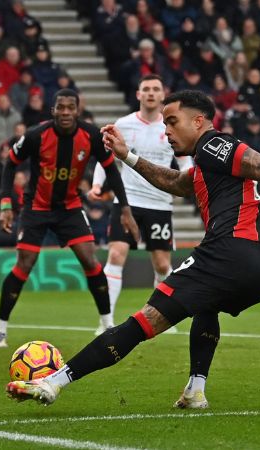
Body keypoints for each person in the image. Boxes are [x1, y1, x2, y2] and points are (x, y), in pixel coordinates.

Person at [5, 90, 260, 408]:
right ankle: (196, 389)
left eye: (172, 121)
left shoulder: (214, 144)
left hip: (231, 252)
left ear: (198, 121)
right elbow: (175, 182)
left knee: (142, 322)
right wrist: (128, 156)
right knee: (206, 303)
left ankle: (54, 382)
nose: (166, 130)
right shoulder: (208, 163)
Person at [0, 89, 139, 348]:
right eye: (62, 107)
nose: (66, 112)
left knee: (90, 260)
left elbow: (111, 170)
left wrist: (125, 208)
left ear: (77, 110)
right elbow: (10, 163)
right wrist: (6, 204)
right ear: (53, 110)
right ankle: (0, 329)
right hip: (36, 207)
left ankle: (107, 324)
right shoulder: (36, 135)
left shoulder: (91, 135)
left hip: (69, 207)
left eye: (71, 107)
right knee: (25, 264)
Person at [87, 74, 193, 335]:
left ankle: (163, 317)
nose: (150, 93)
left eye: (156, 89)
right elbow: (106, 158)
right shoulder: (123, 124)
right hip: (128, 202)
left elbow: (184, 162)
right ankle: (106, 321)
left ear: (162, 95)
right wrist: (97, 185)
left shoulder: (172, 126)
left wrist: (190, 181)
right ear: (138, 94)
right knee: (116, 254)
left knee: (161, 264)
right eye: (146, 89)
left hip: (160, 203)